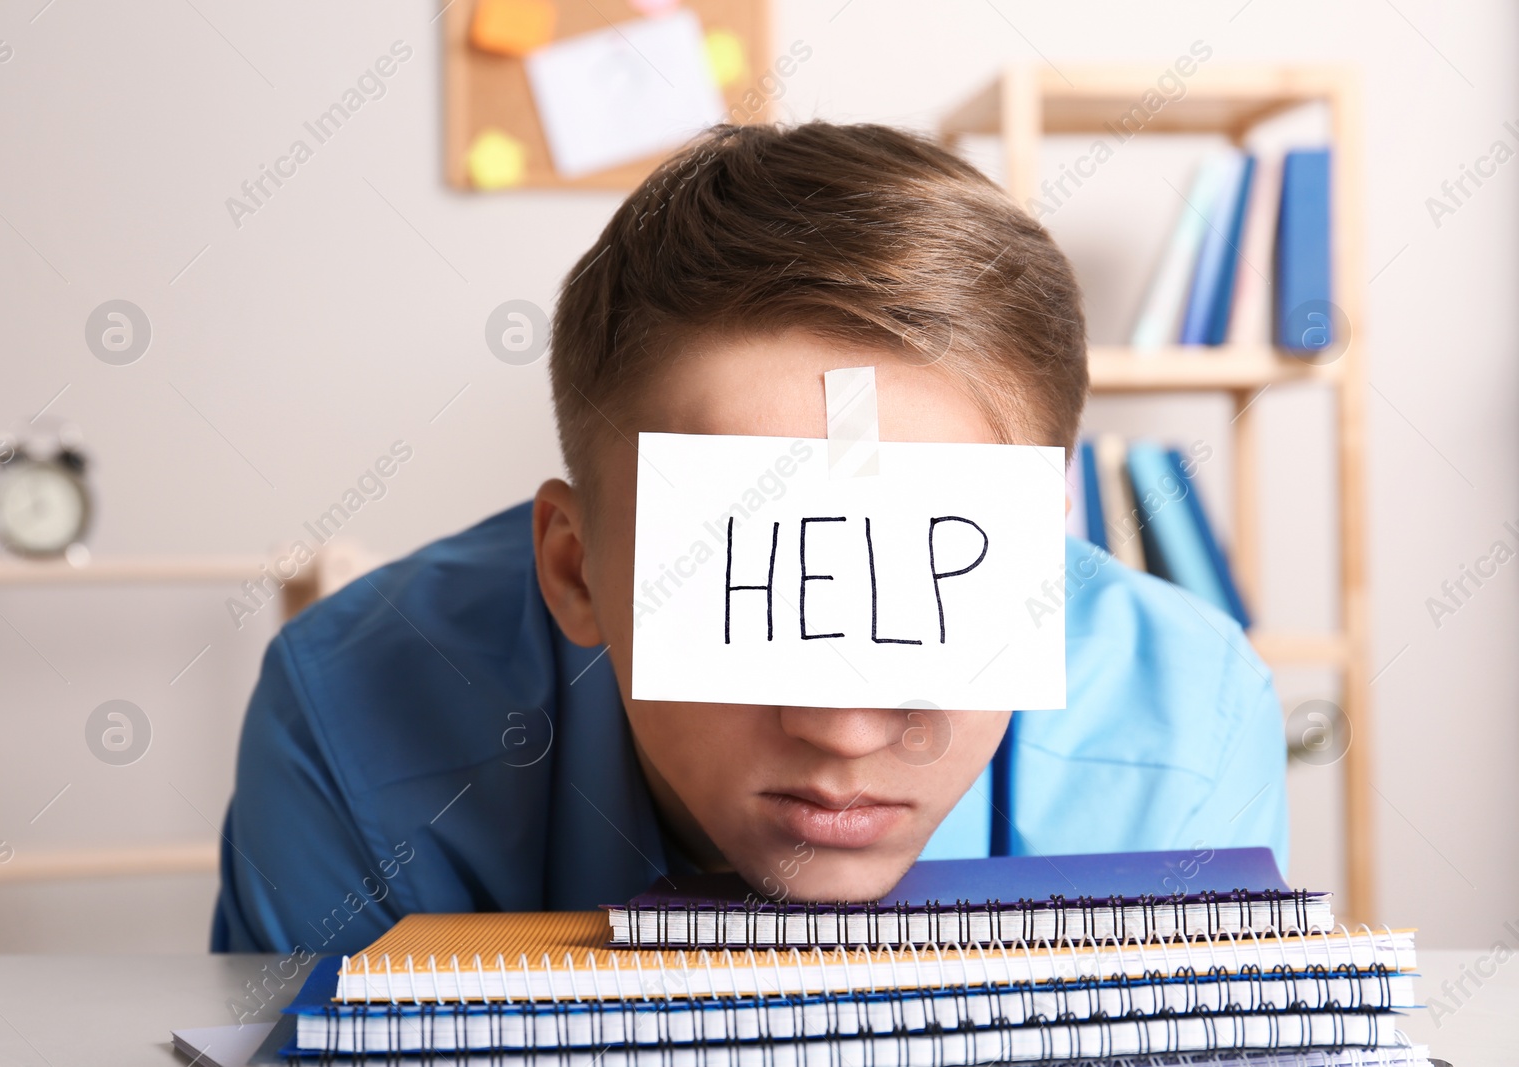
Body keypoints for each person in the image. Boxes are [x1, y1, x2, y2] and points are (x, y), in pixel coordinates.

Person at [212, 122, 1287, 955]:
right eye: (751, 575)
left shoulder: (1185, 728)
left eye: (935, 575)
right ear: (574, 566)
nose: (845, 723)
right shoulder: (348, 713)